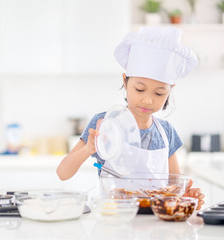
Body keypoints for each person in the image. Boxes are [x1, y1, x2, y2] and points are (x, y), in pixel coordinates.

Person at [56, 26, 205, 209]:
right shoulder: (104, 124)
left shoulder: (166, 133)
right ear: (125, 81)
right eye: (139, 89)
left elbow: (175, 191)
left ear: (170, 90)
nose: (148, 99)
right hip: (114, 223)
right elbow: (63, 173)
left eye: (159, 93)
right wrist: (88, 148)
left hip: (156, 229)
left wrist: (187, 197)